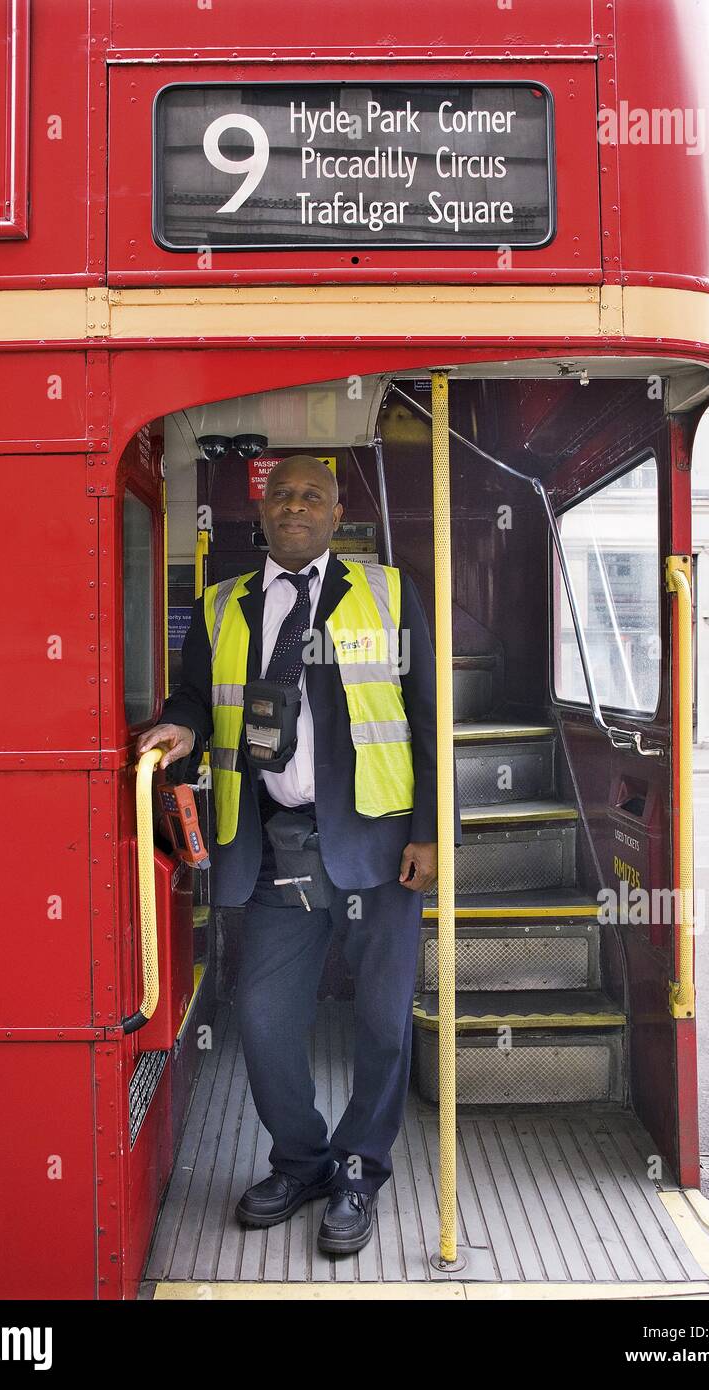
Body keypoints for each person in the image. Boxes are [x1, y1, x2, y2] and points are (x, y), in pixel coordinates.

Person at [137, 453, 454, 1256]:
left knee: (382, 1023)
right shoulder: (222, 605)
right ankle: (302, 1160)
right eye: (283, 494)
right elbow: (194, 697)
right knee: (267, 1019)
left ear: (337, 508)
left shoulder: (385, 591)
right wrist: (181, 727)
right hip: (272, 841)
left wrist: (429, 831)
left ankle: (358, 1169)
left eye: (312, 493)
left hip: (380, 845)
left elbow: (426, 715)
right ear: (263, 510)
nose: (296, 505)